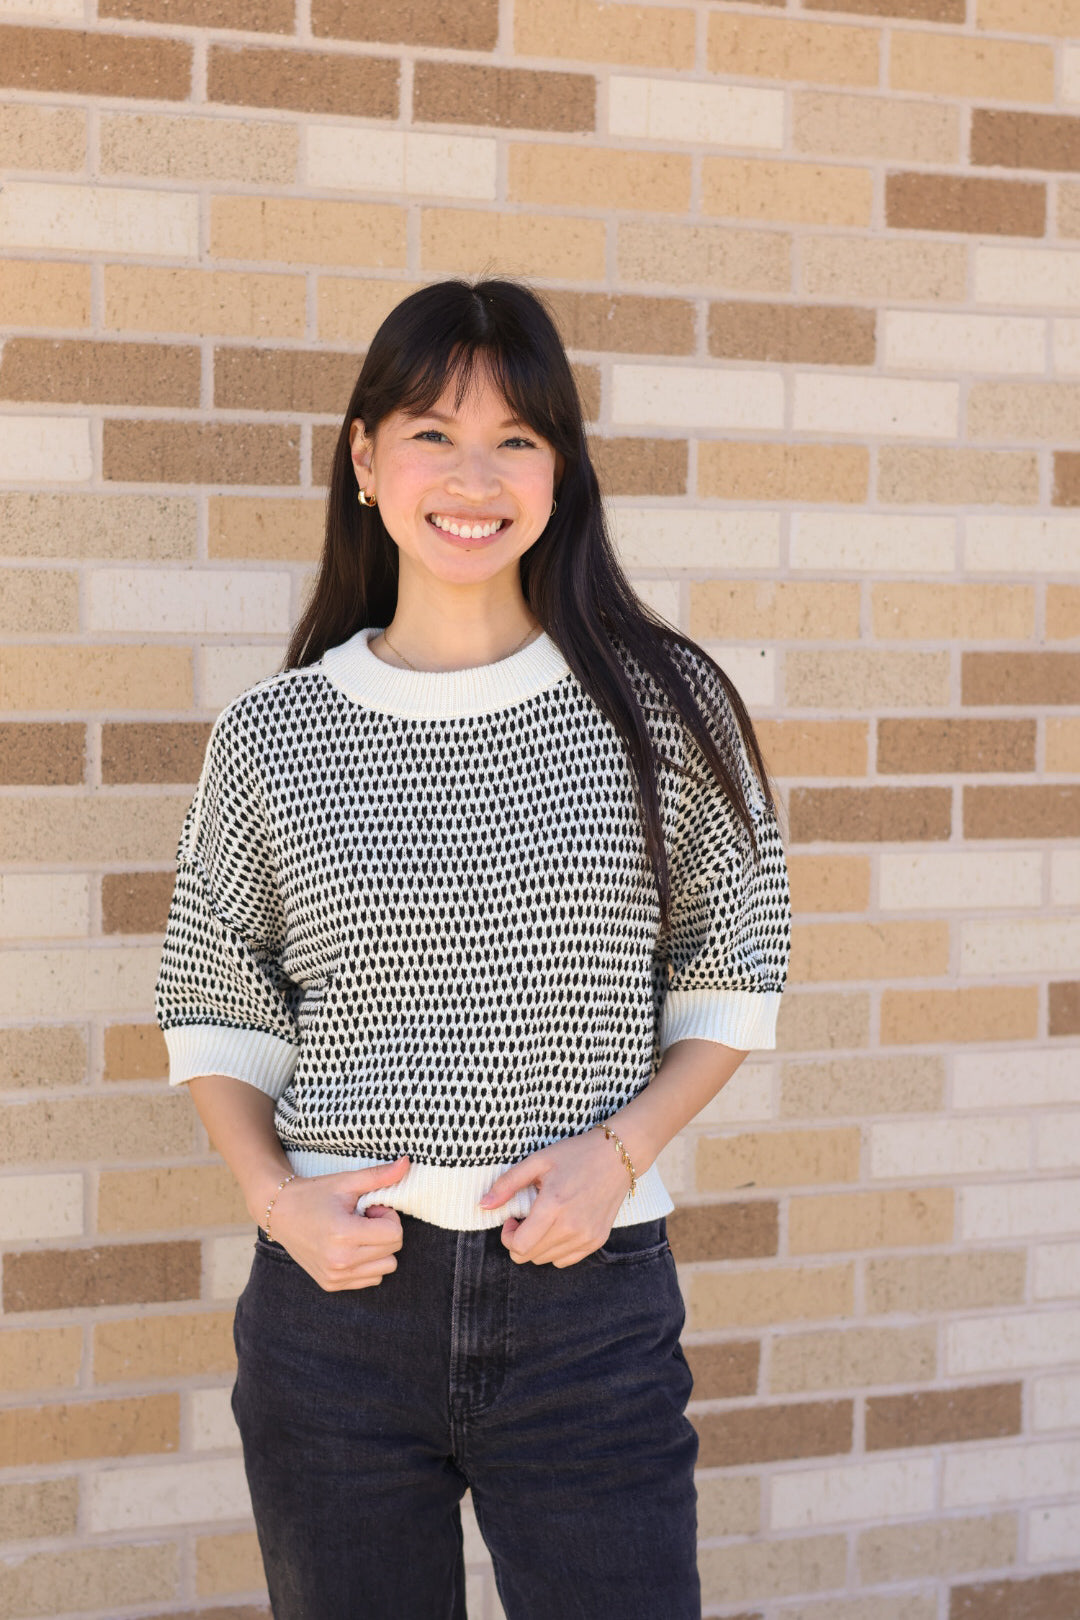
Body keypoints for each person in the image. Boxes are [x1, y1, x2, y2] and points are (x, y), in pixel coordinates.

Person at [153, 275, 791, 1620]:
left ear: (561, 470)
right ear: (365, 457)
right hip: (337, 1313)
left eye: (517, 438)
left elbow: (737, 966)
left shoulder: (663, 707)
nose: (474, 477)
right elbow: (215, 996)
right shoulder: (273, 733)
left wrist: (619, 1155)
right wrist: (275, 1200)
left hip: (585, 1308)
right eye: (433, 433)